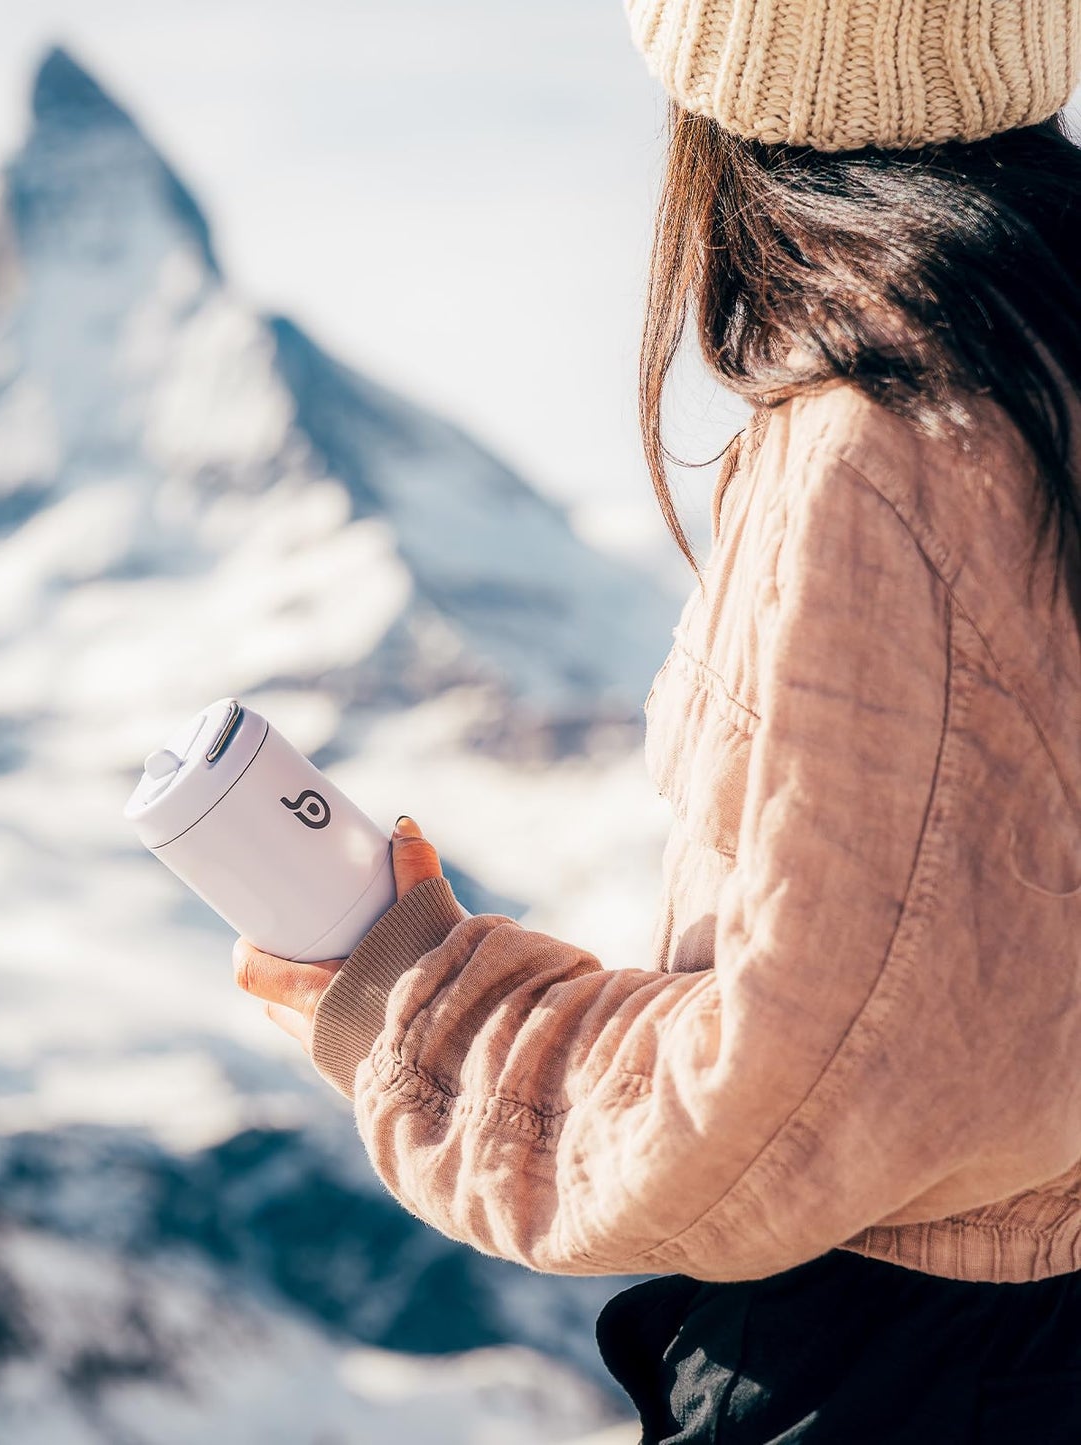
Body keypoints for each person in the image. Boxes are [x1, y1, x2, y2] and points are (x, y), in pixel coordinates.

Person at [233, 2, 1081, 1439]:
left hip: (905, 1376)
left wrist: (406, 994)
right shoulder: (1031, 383)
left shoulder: (885, 445)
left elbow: (802, 1089)